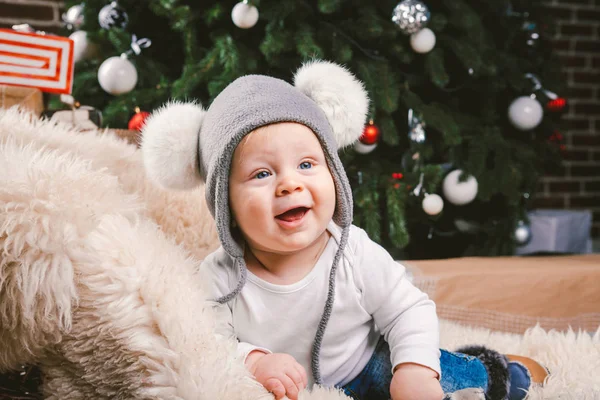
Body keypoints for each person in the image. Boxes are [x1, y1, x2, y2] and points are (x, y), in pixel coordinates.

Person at [141, 60, 547, 400]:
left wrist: (414, 370)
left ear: (333, 173)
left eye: (306, 165)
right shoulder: (219, 276)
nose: (289, 184)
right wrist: (255, 360)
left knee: (441, 376)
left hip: (367, 362)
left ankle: (501, 370)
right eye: (262, 173)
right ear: (224, 202)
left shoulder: (351, 250)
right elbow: (207, 342)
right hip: (289, 387)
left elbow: (409, 309)